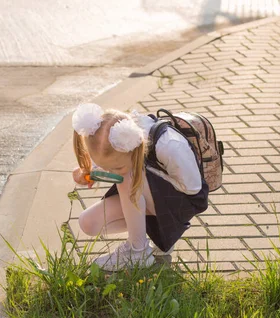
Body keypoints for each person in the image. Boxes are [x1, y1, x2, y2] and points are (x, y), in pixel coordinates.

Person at [71, 103, 209, 271]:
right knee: (89, 223)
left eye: (115, 168)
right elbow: (113, 161)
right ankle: (150, 238)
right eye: (106, 168)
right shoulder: (115, 139)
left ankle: (138, 251)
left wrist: (144, 177)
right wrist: (88, 172)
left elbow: (194, 189)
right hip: (148, 196)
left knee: (127, 177)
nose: (110, 173)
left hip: (185, 201)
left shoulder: (170, 145)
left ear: (134, 150)